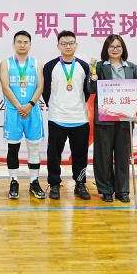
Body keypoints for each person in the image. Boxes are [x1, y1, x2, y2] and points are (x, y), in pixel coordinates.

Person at [87, 34, 137, 203]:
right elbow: (91, 89)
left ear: (123, 49)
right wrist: (92, 73)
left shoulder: (132, 68)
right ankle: (106, 190)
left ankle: (122, 191)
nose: (115, 49)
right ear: (106, 49)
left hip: (125, 118)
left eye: (118, 46)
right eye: (111, 47)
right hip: (105, 117)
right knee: (103, 156)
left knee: (123, 156)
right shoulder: (99, 66)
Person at [42, 30, 91, 200]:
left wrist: (77, 104)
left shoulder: (84, 66)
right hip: (57, 117)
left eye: (71, 43)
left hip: (80, 118)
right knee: (54, 154)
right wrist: (55, 105)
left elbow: (87, 91)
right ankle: (54, 184)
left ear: (76, 45)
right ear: (58, 46)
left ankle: (80, 183)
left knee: (80, 154)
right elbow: (45, 91)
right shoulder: (50, 66)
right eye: (64, 43)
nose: (68, 46)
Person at [0, 30, 45, 199]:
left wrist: (29, 105)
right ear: (13, 44)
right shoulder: (6, 63)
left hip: (32, 111)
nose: (22, 45)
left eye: (26, 42)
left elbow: (40, 86)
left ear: (30, 44)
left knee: (34, 147)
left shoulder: (37, 63)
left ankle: (34, 181)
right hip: (14, 112)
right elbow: (5, 87)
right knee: (13, 148)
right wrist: (20, 107)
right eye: (19, 42)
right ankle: (14, 181)